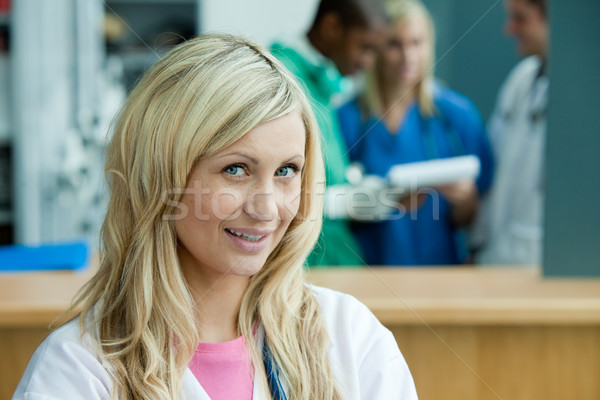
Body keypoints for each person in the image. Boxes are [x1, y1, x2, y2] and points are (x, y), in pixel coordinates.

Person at [12, 34, 417, 400]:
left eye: (286, 171)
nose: (267, 207)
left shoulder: (352, 339)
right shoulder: (77, 370)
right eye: (235, 169)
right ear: (158, 176)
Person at [338, 0, 494, 266]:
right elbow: (329, 208)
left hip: (439, 276)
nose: (408, 56)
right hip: (368, 276)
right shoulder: (348, 118)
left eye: (416, 43)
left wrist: (466, 201)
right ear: (377, 47)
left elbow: (473, 218)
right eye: (395, 44)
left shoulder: (456, 116)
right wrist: (385, 200)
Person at [270, 0, 387, 267]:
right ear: (332, 26)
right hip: (304, 263)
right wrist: (342, 203)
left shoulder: (325, 85)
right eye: (364, 47)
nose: (368, 62)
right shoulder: (282, 79)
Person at [471, 0, 548, 265]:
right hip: (495, 258)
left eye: (520, 18)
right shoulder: (521, 80)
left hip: (539, 266)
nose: (509, 29)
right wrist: (476, 244)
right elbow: (493, 171)